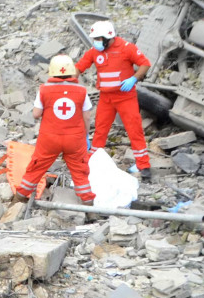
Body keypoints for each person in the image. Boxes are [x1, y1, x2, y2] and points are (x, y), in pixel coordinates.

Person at [76, 20, 154, 182]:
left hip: (126, 97)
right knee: (100, 130)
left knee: (134, 130)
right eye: (95, 39)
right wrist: (67, 81)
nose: (96, 42)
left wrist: (134, 78)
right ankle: (93, 161)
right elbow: (79, 67)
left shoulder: (126, 48)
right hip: (106, 97)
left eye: (98, 38)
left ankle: (143, 166)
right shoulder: (94, 52)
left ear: (108, 37)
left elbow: (145, 64)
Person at [17, 55, 96, 203]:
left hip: (49, 139)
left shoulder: (44, 89)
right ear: (72, 70)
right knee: (80, 171)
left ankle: (19, 198)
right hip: (75, 139)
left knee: (36, 167)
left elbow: (36, 114)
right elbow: (87, 117)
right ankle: (88, 205)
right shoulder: (81, 91)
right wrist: (84, 136)